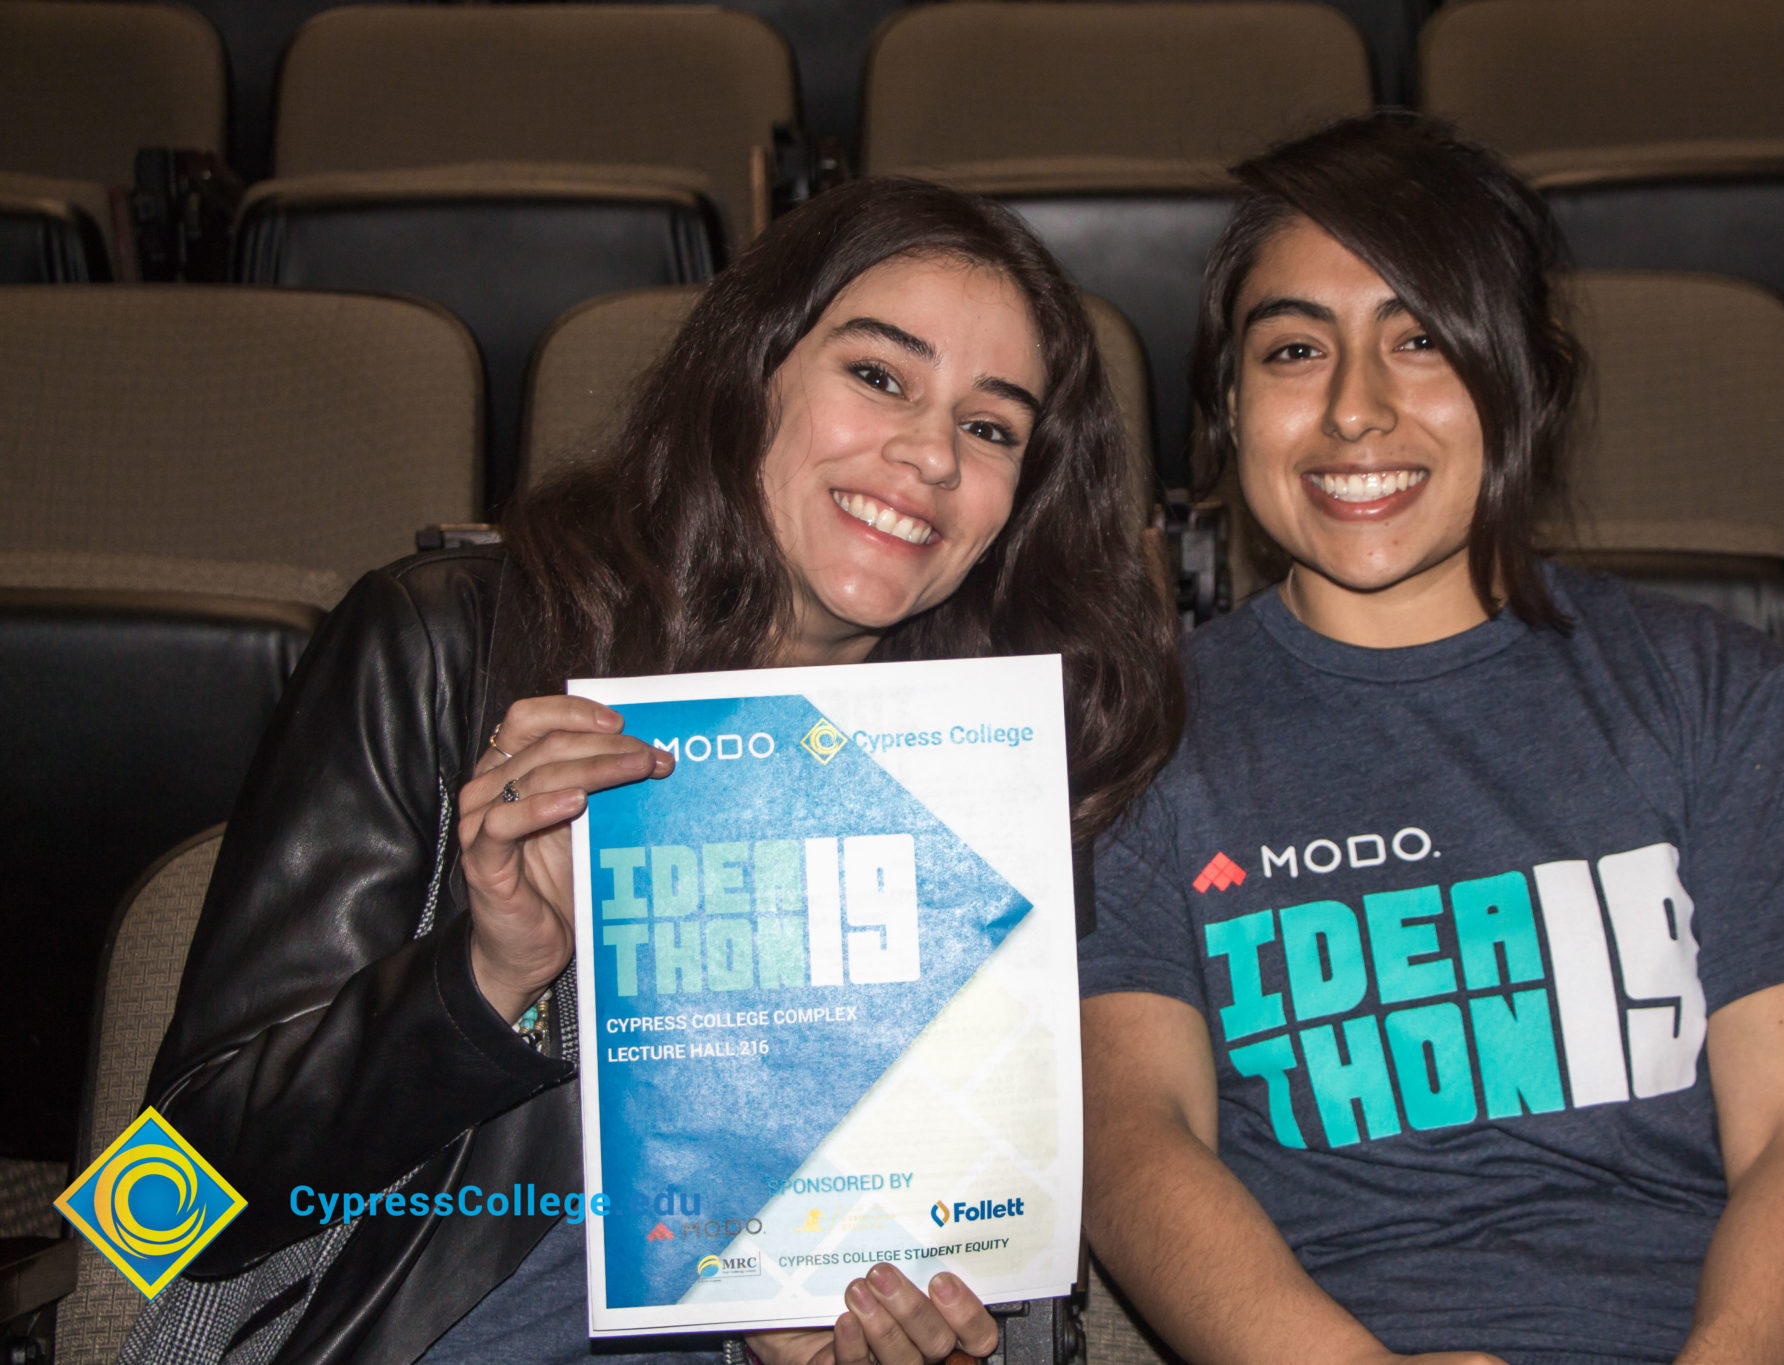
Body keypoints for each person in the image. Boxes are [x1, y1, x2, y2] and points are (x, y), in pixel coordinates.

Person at [134, 177, 1184, 1365]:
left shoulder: (994, 772)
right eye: (879, 376)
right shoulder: (448, 648)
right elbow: (155, 1210)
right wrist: (485, 979)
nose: (930, 454)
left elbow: (1007, 1258)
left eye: (990, 427)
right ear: (751, 372)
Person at [1077, 115, 1784, 1365]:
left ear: (1520, 382)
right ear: (1229, 405)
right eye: (1295, 349)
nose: (1355, 411)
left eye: (1420, 341)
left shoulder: (1720, 694)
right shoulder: (1141, 737)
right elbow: (1134, 1140)